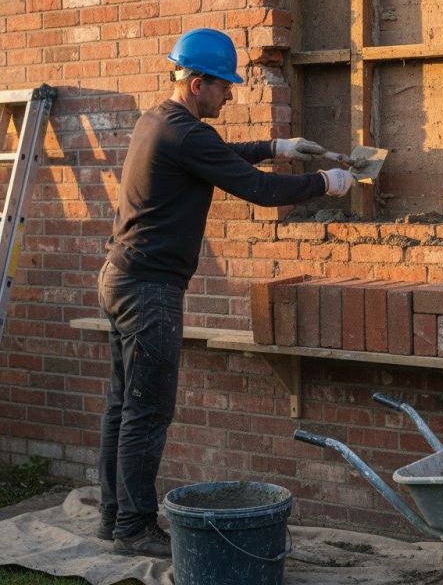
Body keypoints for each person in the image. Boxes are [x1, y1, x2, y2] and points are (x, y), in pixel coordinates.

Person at [96, 28, 352, 558]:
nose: (230, 94)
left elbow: (219, 154)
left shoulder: (160, 121)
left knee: (124, 407)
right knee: (146, 414)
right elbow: (256, 189)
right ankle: (136, 530)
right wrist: (325, 184)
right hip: (148, 292)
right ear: (195, 83)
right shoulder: (186, 134)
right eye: (224, 86)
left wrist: (277, 147)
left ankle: (113, 518)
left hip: (121, 278)